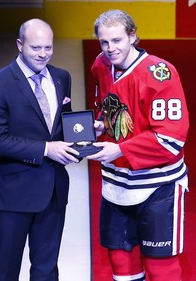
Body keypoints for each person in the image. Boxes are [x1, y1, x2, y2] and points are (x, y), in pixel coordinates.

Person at [87, 9, 189, 281]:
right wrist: (101, 124)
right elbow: (108, 109)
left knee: (161, 268)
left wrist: (120, 149)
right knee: (122, 266)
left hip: (159, 186)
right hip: (115, 183)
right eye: (104, 42)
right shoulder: (100, 65)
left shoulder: (160, 74)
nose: (110, 49)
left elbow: (171, 139)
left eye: (117, 40)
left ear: (132, 36)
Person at [0, 18, 80, 281]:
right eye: (36, 48)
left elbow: (62, 125)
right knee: (6, 270)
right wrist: (46, 149)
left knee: (47, 270)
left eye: (48, 48)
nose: (43, 54)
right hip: (12, 194)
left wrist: (84, 132)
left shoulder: (61, 77)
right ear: (20, 44)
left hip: (54, 192)